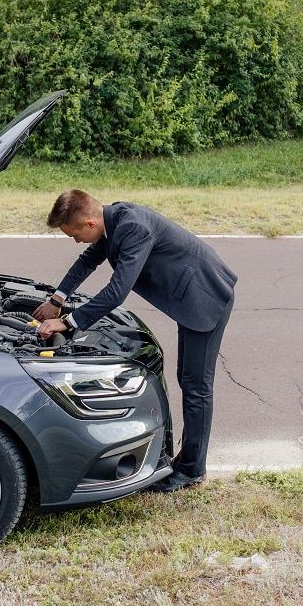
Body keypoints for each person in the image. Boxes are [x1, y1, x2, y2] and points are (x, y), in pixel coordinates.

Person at [34, 190, 237, 492]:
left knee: (196, 385)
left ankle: (193, 469)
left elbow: (116, 292)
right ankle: (188, 459)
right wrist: (56, 299)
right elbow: (86, 262)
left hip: (205, 297)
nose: (75, 241)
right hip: (190, 296)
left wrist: (66, 321)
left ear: (89, 224)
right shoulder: (112, 219)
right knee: (188, 378)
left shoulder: (133, 228)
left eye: (74, 234)